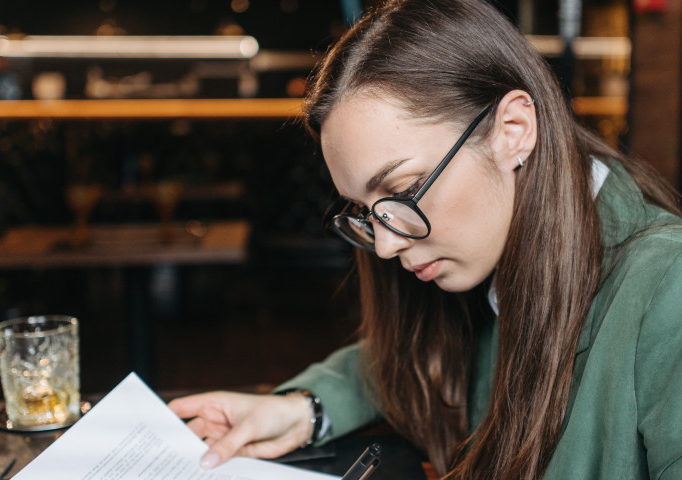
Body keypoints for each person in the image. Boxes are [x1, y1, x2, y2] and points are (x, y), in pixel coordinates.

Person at [168, 0, 682, 478]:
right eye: (366, 213)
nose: (387, 247)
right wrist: (305, 409)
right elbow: (412, 356)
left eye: (404, 190)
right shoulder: (499, 264)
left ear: (514, 129)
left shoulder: (666, 289)